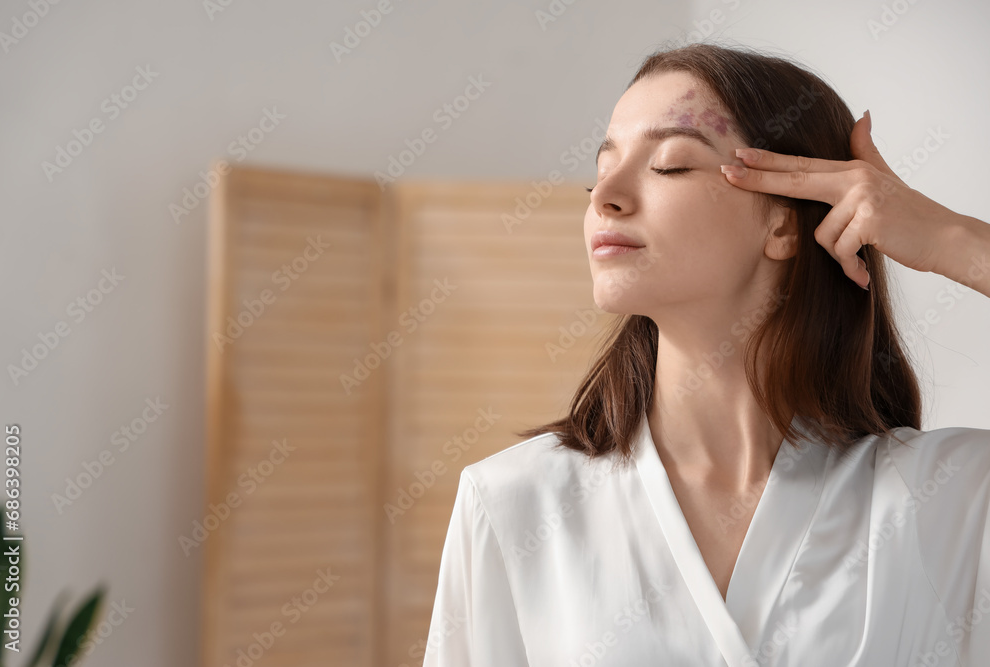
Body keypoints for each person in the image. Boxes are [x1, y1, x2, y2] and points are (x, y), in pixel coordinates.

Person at [421, 42, 990, 666]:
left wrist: (951, 239)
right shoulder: (516, 502)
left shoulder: (947, 499)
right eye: (600, 169)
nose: (604, 195)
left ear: (783, 224)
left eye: (669, 165)